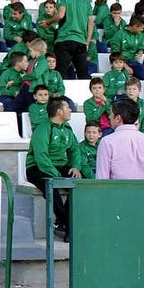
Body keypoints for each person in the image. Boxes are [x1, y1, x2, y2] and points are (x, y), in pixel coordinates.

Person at [26, 97, 83, 241]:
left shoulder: (67, 129)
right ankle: (67, 224)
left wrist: (75, 167)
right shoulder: (43, 129)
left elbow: (74, 150)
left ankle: (64, 224)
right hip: (37, 167)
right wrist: (57, 175)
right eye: (67, 108)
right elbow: (41, 157)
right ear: (59, 112)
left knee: (80, 184)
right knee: (51, 186)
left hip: (59, 166)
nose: (70, 110)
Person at [94, 99, 144, 179]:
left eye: (111, 113)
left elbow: (102, 179)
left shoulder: (107, 142)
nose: (109, 117)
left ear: (118, 118)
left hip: (117, 191)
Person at [43, 0, 94, 80]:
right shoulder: (86, 2)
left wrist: (48, 22)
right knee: (83, 75)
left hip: (65, 39)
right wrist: (87, 42)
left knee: (61, 74)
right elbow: (91, 23)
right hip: (80, 41)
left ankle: (60, 95)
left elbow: (61, 15)